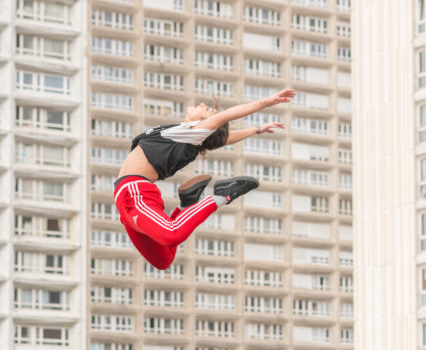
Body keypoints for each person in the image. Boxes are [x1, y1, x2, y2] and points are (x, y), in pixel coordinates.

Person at [114, 89, 296, 269]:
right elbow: (222, 139)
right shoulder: (186, 136)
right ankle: (187, 204)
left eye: (207, 110)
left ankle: (222, 196)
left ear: (205, 124)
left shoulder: (187, 133)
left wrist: (264, 102)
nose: (202, 104)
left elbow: (224, 118)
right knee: (163, 259)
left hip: (134, 194)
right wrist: (256, 129)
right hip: (130, 198)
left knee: (171, 234)